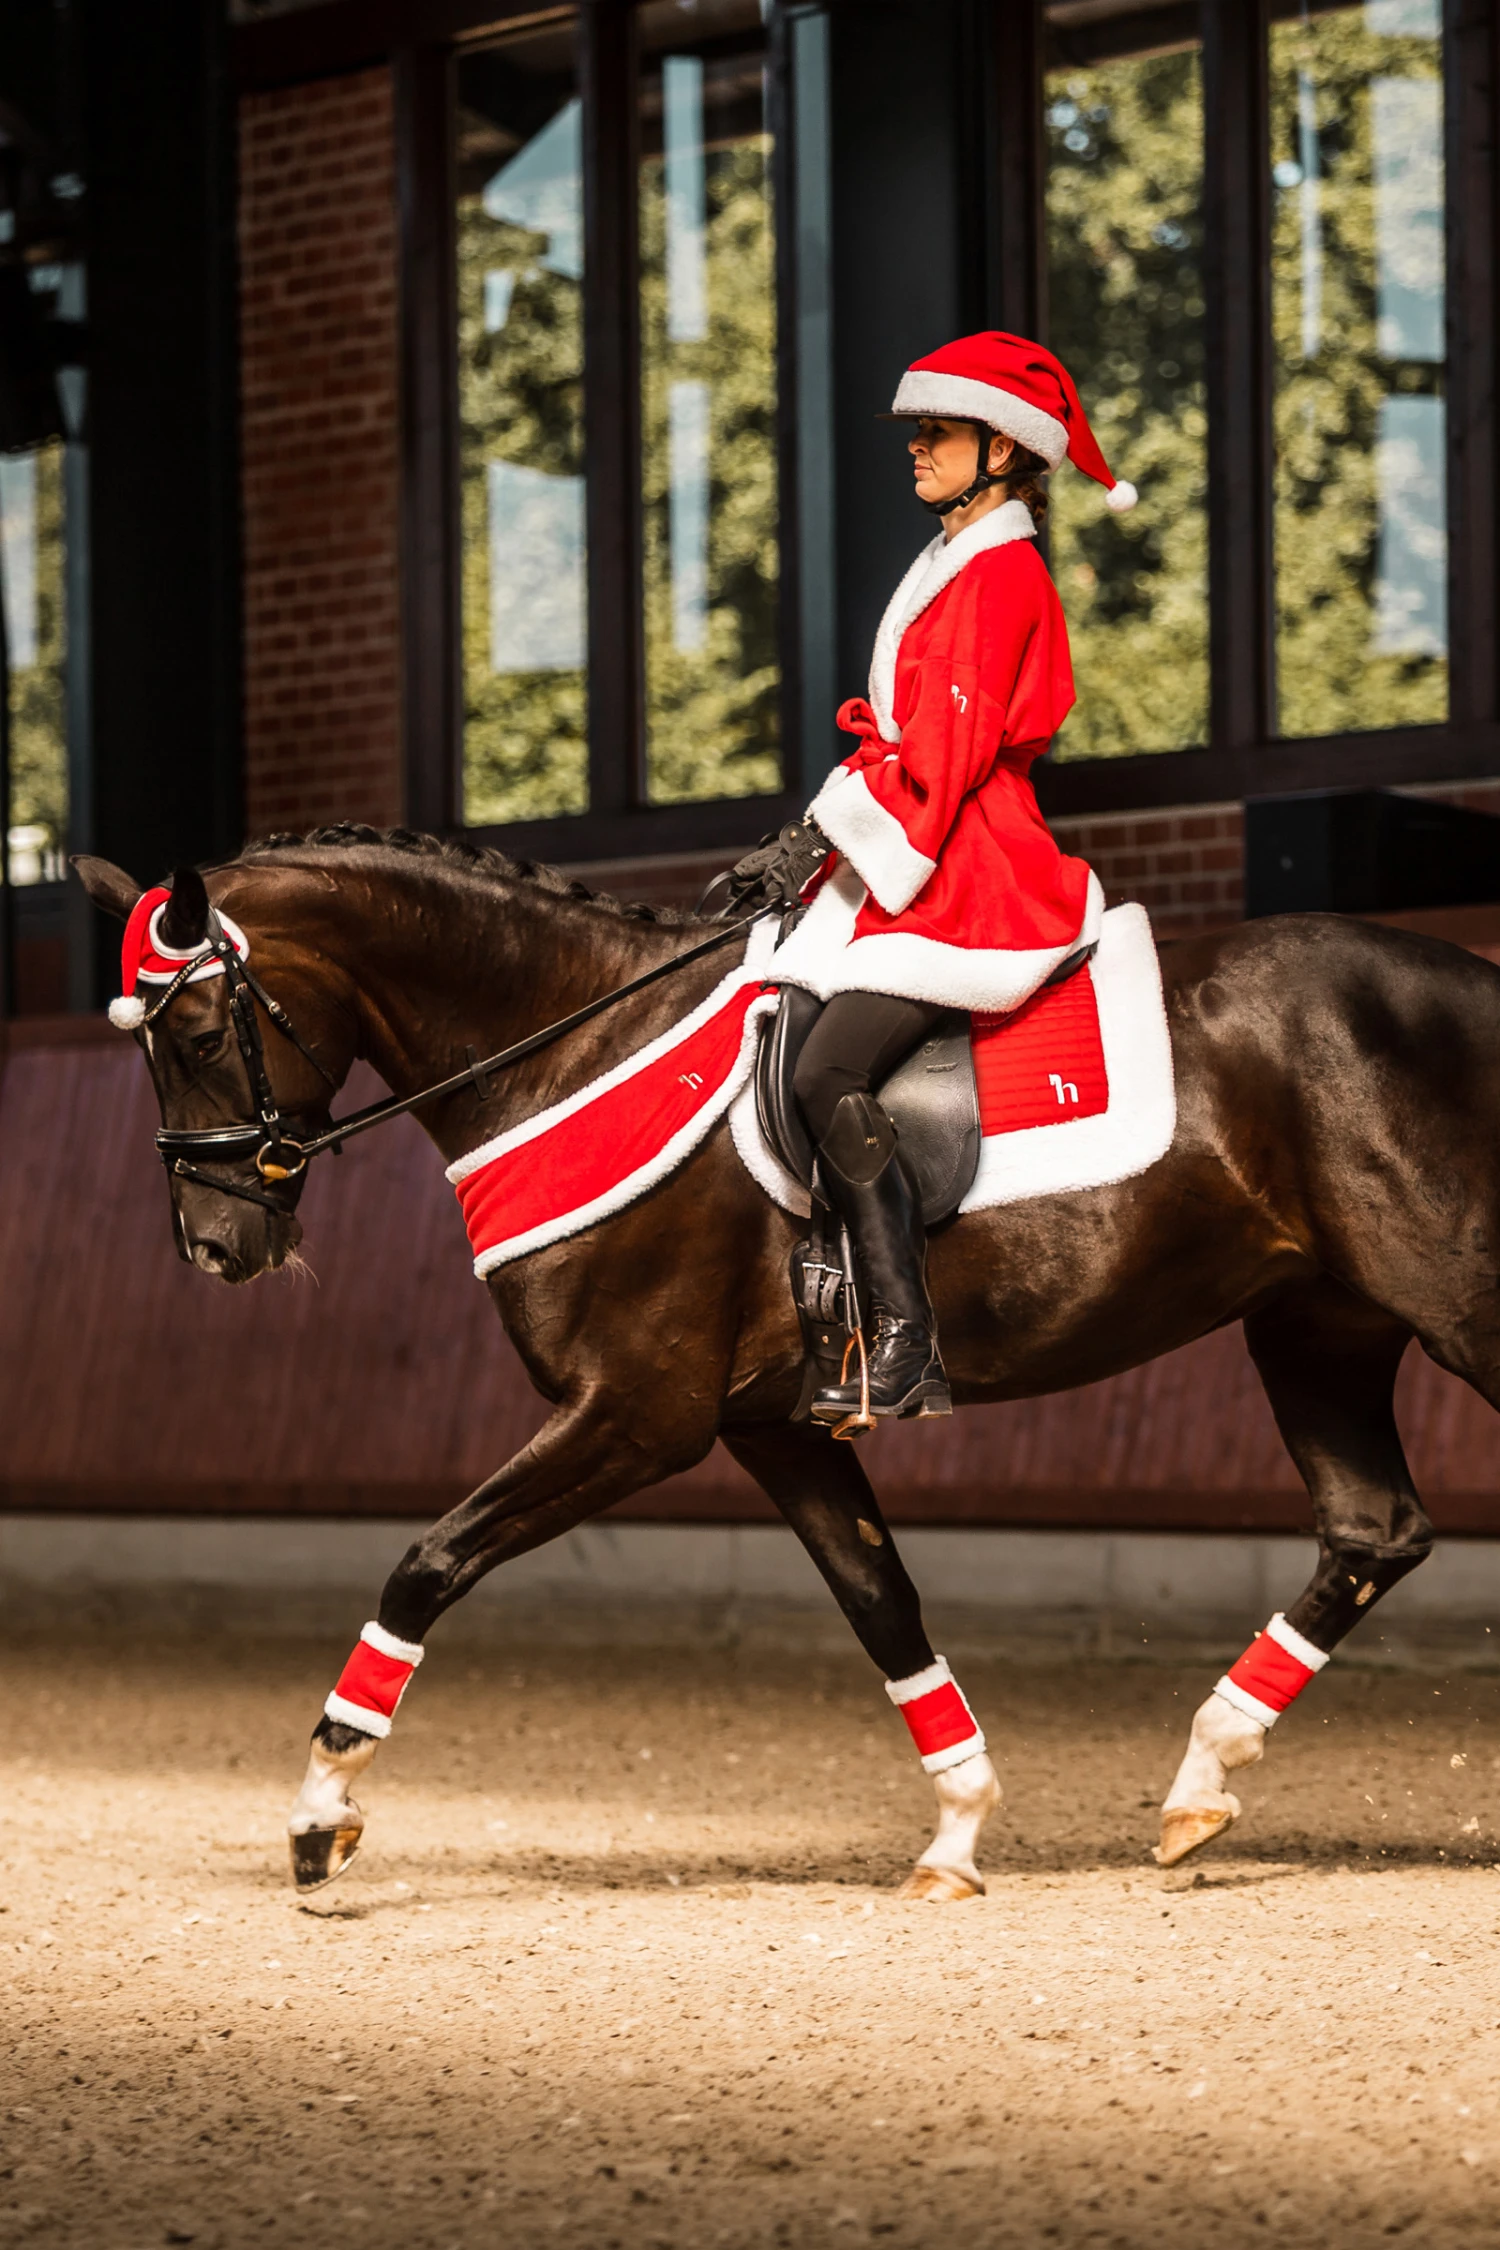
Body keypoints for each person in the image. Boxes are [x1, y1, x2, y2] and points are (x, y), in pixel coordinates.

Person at [757, 329, 1138, 1425]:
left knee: (826, 1076)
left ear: (1006, 449)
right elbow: (908, 746)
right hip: (923, 839)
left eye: (937, 431)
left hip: (974, 865)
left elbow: (943, 759)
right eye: (918, 430)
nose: (915, 448)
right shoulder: (954, 559)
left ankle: (903, 1340)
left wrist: (813, 840)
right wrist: (805, 840)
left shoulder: (999, 572)